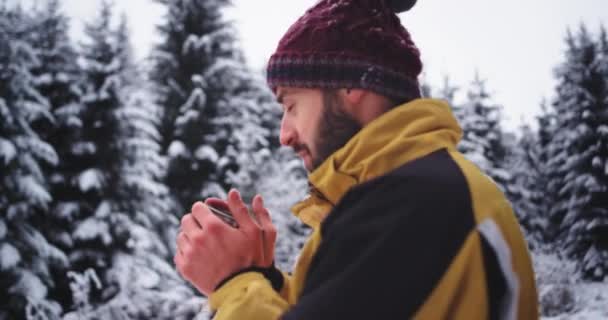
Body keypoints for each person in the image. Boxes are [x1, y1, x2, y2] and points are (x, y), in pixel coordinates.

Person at [174, 0, 539, 318]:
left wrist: (234, 282)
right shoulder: (423, 193)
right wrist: (261, 278)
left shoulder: (419, 200)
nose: (284, 134)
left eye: (291, 105)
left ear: (351, 86)